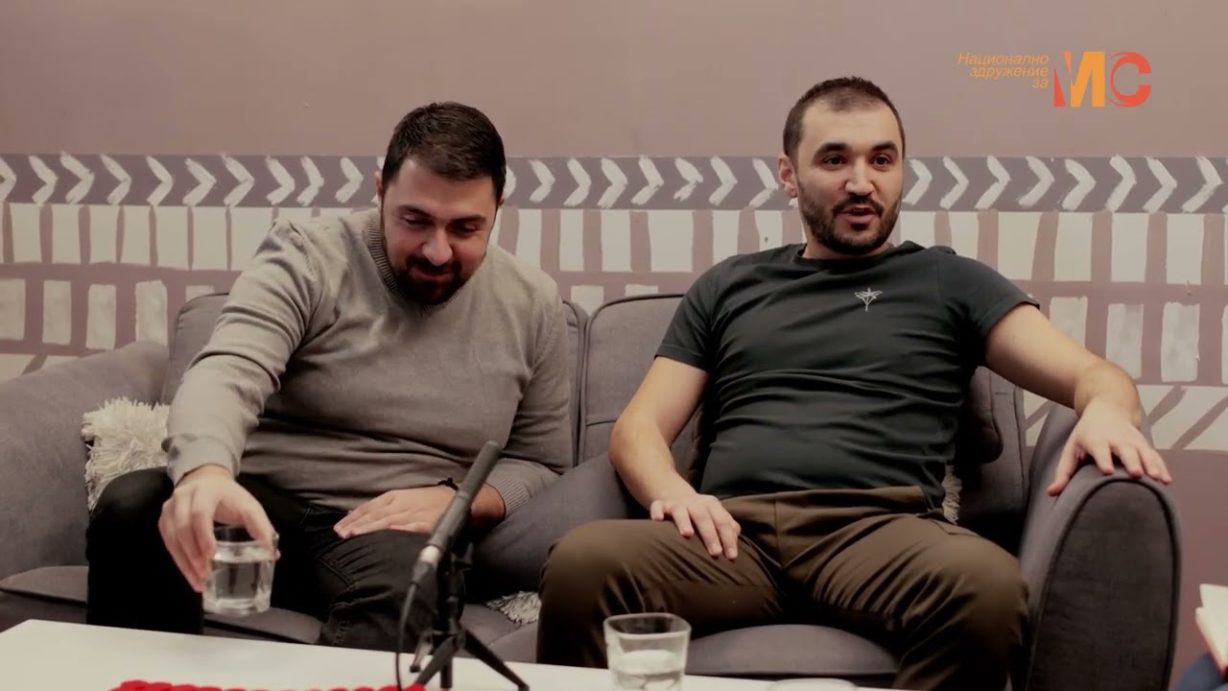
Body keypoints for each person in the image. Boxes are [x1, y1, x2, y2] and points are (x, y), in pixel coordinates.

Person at [535, 77, 1170, 691]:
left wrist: (1108, 408)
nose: (862, 182)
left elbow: (1095, 375)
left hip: (881, 532)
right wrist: (674, 493)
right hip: (733, 539)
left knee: (988, 587)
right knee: (584, 564)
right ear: (789, 174)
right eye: (835, 159)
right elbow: (638, 428)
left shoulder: (950, 282)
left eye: (882, 160)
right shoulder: (730, 286)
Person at [86, 102, 573, 651]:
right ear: (380, 191)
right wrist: (204, 473)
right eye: (415, 220)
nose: (438, 251)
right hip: (262, 506)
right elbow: (229, 369)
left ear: (498, 208)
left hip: (389, 538)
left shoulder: (532, 303)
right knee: (133, 507)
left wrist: (459, 500)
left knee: (411, 586)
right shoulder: (307, 254)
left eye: (465, 228)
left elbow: (542, 462)